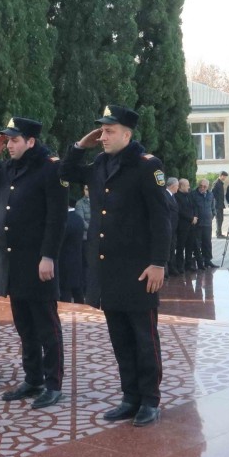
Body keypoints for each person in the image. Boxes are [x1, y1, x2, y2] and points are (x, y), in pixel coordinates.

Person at [60, 104, 171, 428]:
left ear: (127, 133)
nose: (103, 136)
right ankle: (129, 397)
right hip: (107, 269)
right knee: (120, 337)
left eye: (109, 131)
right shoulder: (99, 164)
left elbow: (161, 219)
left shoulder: (147, 166)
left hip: (138, 270)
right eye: (102, 130)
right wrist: (81, 145)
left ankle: (149, 400)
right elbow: (65, 172)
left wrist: (158, 263)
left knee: (143, 337)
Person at [0, 117, 67, 410]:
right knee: (24, 326)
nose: (10, 145)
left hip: (38, 260)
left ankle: (53, 384)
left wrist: (48, 256)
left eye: (15, 140)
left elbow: (57, 217)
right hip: (13, 260)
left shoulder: (50, 167)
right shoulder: (10, 167)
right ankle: (33, 379)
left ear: (31, 142)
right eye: (8, 140)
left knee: (47, 327)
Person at [60, 203, 87, 304]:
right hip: (77, 258)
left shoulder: (65, 220)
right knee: (78, 292)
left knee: (65, 294)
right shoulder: (78, 219)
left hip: (64, 261)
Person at [174, 179, 198, 272]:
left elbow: (194, 206)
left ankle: (189, 264)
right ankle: (180, 266)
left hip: (192, 225)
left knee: (190, 245)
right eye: (187, 185)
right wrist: (190, 218)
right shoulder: (176, 196)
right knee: (180, 246)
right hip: (182, 225)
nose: (189, 187)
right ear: (181, 186)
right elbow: (180, 210)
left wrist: (195, 216)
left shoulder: (189, 195)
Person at [193, 179, 216, 269]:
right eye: (201, 186)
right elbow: (192, 207)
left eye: (205, 186)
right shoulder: (194, 194)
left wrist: (212, 215)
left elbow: (213, 207)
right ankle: (199, 261)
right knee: (197, 243)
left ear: (208, 187)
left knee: (207, 242)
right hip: (198, 223)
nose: (202, 188)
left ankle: (208, 260)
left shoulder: (210, 194)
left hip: (207, 222)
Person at [212, 171, 227, 239]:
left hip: (220, 205)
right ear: (221, 176)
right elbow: (213, 194)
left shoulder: (220, 183)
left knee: (221, 219)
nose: (225, 178)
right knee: (219, 219)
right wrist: (215, 203)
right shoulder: (216, 183)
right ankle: (218, 234)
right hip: (217, 205)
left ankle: (219, 232)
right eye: (224, 176)